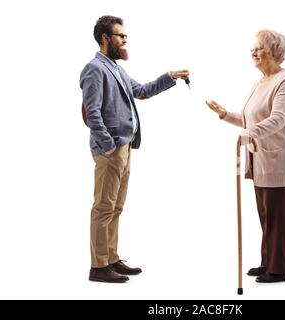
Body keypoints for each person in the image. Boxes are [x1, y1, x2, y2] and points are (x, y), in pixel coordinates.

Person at [80, 15, 189, 283]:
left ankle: (111, 258)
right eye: (120, 36)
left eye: (125, 36)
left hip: (126, 147)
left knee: (116, 207)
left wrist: (170, 77)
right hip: (111, 150)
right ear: (106, 38)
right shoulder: (94, 69)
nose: (124, 40)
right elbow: (91, 113)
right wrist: (108, 145)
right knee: (104, 207)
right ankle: (98, 267)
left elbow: (141, 91)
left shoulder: (116, 69)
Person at [205, 29, 285, 283]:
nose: (253, 52)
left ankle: (280, 269)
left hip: (280, 160)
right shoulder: (259, 83)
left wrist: (249, 132)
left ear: (272, 51)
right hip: (260, 160)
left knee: (278, 216)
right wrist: (226, 114)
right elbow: (252, 119)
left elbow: (278, 120)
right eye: (253, 48)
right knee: (266, 215)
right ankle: (268, 261)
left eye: (258, 48)